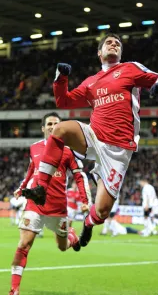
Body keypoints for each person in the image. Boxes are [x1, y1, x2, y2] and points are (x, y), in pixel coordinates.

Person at [22, 33, 158, 248]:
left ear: (120, 52)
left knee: (102, 211)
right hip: (94, 135)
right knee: (59, 130)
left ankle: (88, 223)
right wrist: (60, 78)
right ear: (99, 53)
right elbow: (63, 101)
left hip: (119, 150)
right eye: (108, 43)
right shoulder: (90, 82)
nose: (113, 45)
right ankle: (41, 188)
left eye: (117, 44)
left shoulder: (130, 69)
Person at [9, 112, 91, 295]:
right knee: (23, 244)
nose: (53, 126)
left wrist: (85, 201)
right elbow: (32, 169)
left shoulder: (69, 151)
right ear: (43, 128)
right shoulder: (34, 148)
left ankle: (72, 237)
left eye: (56, 124)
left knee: (62, 247)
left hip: (58, 207)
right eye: (49, 123)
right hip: (35, 204)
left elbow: (79, 176)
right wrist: (22, 187)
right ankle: (14, 290)